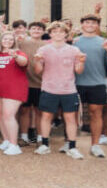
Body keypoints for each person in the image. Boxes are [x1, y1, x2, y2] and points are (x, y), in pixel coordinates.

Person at [32, 22, 85, 160]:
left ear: (66, 34)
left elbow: (78, 70)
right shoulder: (44, 49)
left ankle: (72, 147)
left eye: (61, 32)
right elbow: (38, 71)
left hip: (68, 89)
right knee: (46, 117)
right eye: (54, 32)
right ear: (50, 34)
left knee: (70, 118)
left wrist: (82, 61)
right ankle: (44, 144)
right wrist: (37, 61)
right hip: (49, 88)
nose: (58, 34)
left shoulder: (74, 50)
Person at [73, 15, 107, 157]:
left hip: (97, 83)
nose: (90, 25)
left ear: (97, 26)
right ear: (82, 24)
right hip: (76, 83)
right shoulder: (74, 42)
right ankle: (70, 143)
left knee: (96, 114)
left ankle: (95, 145)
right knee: (72, 115)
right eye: (86, 22)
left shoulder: (104, 42)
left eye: (93, 23)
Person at [0, 31, 28, 156]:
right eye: (5, 39)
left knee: (8, 115)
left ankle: (14, 144)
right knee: (0, 115)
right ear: (0, 41)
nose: (7, 41)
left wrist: (15, 56)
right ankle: (6, 140)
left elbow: (23, 62)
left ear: (14, 42)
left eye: (10, 39)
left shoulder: (18, 53)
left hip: (14, 88)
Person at [17, 21, 46, 145]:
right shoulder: (22, 42)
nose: (36, 31)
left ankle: (40, 137)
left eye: (39, 29)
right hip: (25, 82)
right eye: (34, 28)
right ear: (29, 30)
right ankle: (23, 136)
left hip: (41, 83)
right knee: (24, 110)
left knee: (40, 111)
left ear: (43, 32)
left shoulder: (46, 45)